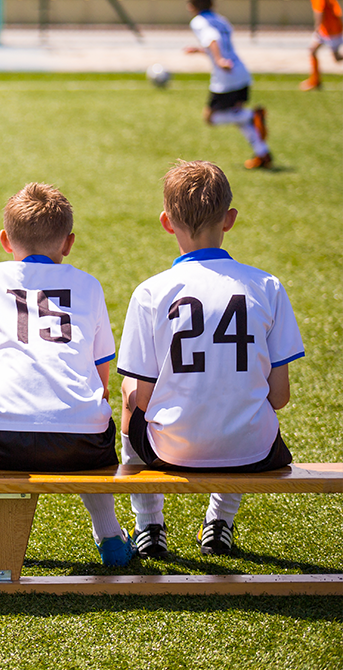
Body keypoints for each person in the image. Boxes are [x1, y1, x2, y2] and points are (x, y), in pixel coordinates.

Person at [117, 160, 304, 558]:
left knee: (128, 389)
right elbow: (280, 396)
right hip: (254, 451)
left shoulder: (151, 292)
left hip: (172, 449)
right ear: (230, 219)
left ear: (167, 223)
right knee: (242, 395)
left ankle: (149, 524)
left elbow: (143, 398)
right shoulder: (267, 285)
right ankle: (219, 522)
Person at [0, 183, 135, 567]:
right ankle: (110, 536)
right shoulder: (88, 284)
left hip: (2, 437)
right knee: (91, 432)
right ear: (69, 242)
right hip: (81, 441)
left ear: (5, 240)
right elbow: (101, 374)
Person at [183, 0, 272, 169]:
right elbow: (222, 43)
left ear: (192, 5)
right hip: (240, 71)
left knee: (210, 118)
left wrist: (218, 60)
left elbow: (213, 39)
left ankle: (251, 116)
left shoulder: (198, 22)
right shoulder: (221, 19)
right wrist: (200, 51)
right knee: (237, 116)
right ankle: (263, 154)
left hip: (226, 76)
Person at [300, 0, 343, 90]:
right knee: (313, 51)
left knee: (336, 58)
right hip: (326, 29)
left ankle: (316, 81)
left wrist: (317, 28)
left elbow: (320, 12)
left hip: (331, 30)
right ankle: (315, 81)